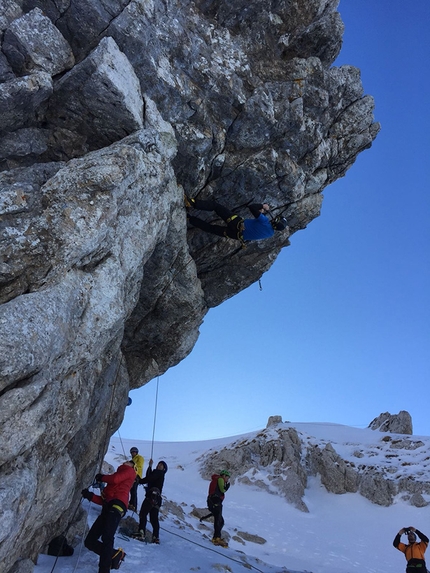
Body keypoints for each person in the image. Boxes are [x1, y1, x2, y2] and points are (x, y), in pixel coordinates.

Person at [82, 460, 136, 571]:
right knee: (89, 541)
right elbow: (103, 499)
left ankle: (104, 569)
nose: (126, 462)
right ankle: (115, 554)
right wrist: (90, 496)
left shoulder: (130, 471)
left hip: (118, 504)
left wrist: (102, 477)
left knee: (107, 537)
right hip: (108, 507)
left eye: (129, 462)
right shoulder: (115, 477)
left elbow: (115, 479)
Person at [185, 196, 287, 246]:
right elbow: (257, 227)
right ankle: (189, 218)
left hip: (236, 223)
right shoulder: (269, 233)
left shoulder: (264, 221)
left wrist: (262, 206)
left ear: (276, 221)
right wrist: (261, 213)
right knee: (211, 228)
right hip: (235, 235)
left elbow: (251, 207)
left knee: (216, 207)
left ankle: (192, 203)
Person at [133, 459, 168, 544]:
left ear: (163, 469)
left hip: (152, 496)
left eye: (161, 465)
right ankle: (156, 537)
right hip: (157, 498)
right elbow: (150, 476)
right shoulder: (160, 474)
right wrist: (150, 466)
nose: (159, 465)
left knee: (143, 513)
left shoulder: (158, 473)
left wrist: (140, 480)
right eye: (159, 464)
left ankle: (141, 532)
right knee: (153, 519)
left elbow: (149, 478)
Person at [206, 470, 231, 547]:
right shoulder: (220, 479)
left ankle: (216, 537)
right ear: (224, 476)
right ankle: (216, 538)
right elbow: (222, 490)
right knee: (219, 520)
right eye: (227, 477)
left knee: (220, 520)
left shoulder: (216, 479)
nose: (227, 479)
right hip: (216, 501)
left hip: (212, 501)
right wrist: (226, 487)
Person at [128, 447, 144, 512]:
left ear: (136, 452)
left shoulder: (139, 458)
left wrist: (132, 465)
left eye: (134, 452)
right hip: (132, 475)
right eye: (132, 452)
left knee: (133, 490)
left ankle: (133, 505)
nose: (133, 453)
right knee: (131, 490)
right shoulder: (133, 459)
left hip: (136, 476)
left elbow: (139, 466)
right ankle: (131, 504)